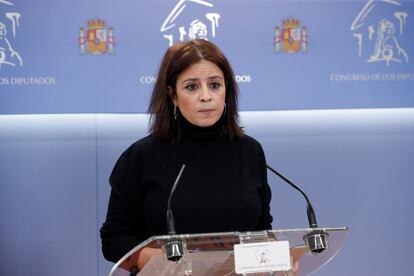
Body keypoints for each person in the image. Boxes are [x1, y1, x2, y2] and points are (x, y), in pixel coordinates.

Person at [100, 39, 273, 270]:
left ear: (227, 89)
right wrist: (160, 262)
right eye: (192, 87)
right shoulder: (141, 157)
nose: (206, 96)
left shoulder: (250, 151)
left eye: (214, 85)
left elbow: (262, 228)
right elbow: (114, 240)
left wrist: (277, 258)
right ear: (172, 95)